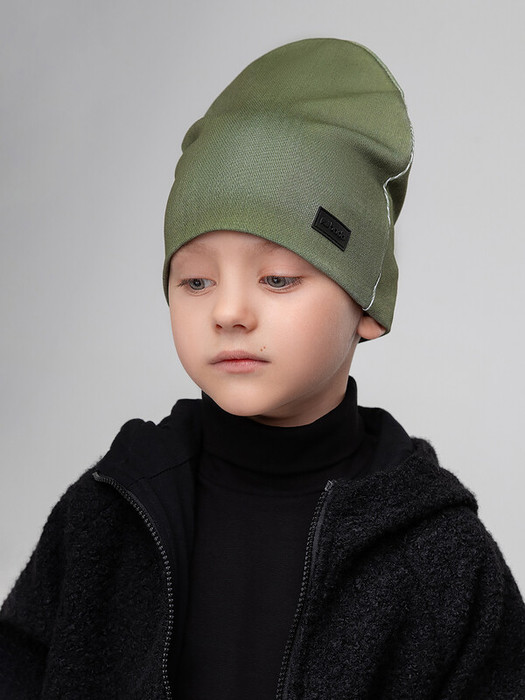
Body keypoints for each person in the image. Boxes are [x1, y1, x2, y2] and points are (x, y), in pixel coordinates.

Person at [1, 37, 524, 700]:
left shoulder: (440, 555)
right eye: (195, 282)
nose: (228, 311)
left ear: (367, 306)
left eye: (277, 279)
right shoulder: (108, 511)